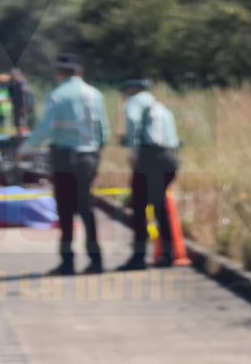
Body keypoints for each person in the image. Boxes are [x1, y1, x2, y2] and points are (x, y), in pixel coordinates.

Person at [17, 53, 110, 275]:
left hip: (64, 157)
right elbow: (103, 130)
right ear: (79, 72)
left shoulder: (57, 95)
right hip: (89, 156)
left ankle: (67, 262)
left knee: (65, 210)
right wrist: (96, 152)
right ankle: (96, 260)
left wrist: (25, 150)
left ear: (59, 74)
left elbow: (45, 129)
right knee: (86, 208)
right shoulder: (95, 94)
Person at [116, 79, 180, 271]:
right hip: (169, 158)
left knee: (139, 208)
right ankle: (167, 255)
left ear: (133, 90)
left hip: (148, 158)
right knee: (160, 207)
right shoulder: (161, 107)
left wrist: (133, 152)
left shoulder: (134, 103)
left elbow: (133, 123)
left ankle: (138, 257)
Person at [8, 67, 32, 135]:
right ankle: (18, 134)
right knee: (16, 121)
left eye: (13, 74)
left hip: (21, 105)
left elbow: (23, 96)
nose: (12, 75)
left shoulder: (21, 83)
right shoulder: (13, 82)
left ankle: (23, 135)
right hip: (16, 105)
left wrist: (23, 106)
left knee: (22, 120)